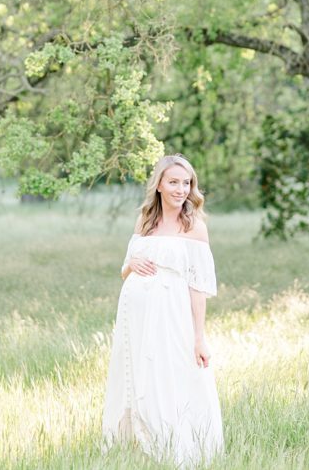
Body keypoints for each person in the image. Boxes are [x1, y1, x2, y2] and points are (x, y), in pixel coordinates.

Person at [103, 154, 224, 467]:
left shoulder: (194, 227)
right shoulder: (145, 219)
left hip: (172, 315)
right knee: (139, 375)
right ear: (158, 185)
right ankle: (135, 444)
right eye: (173, 182)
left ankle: (170, 444)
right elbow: (125, 269)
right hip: (136, 317)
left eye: (186, 183)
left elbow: (199, 287)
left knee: (170, 374)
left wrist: (200, 337)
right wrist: (130, 265)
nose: (181, 189)